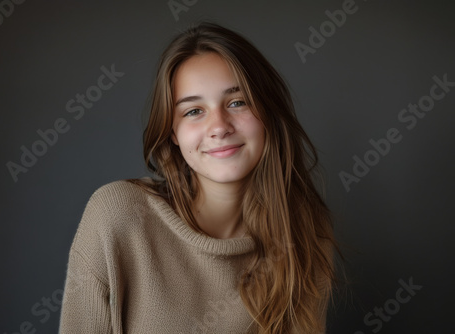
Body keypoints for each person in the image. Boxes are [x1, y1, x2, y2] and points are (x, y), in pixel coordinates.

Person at [59, 21, 340, 334]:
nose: (219, 126)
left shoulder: (305, 232)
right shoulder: (117, 214)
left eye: (237, 102)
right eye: (193, 111)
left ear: (269, 116)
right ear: (173, 133)